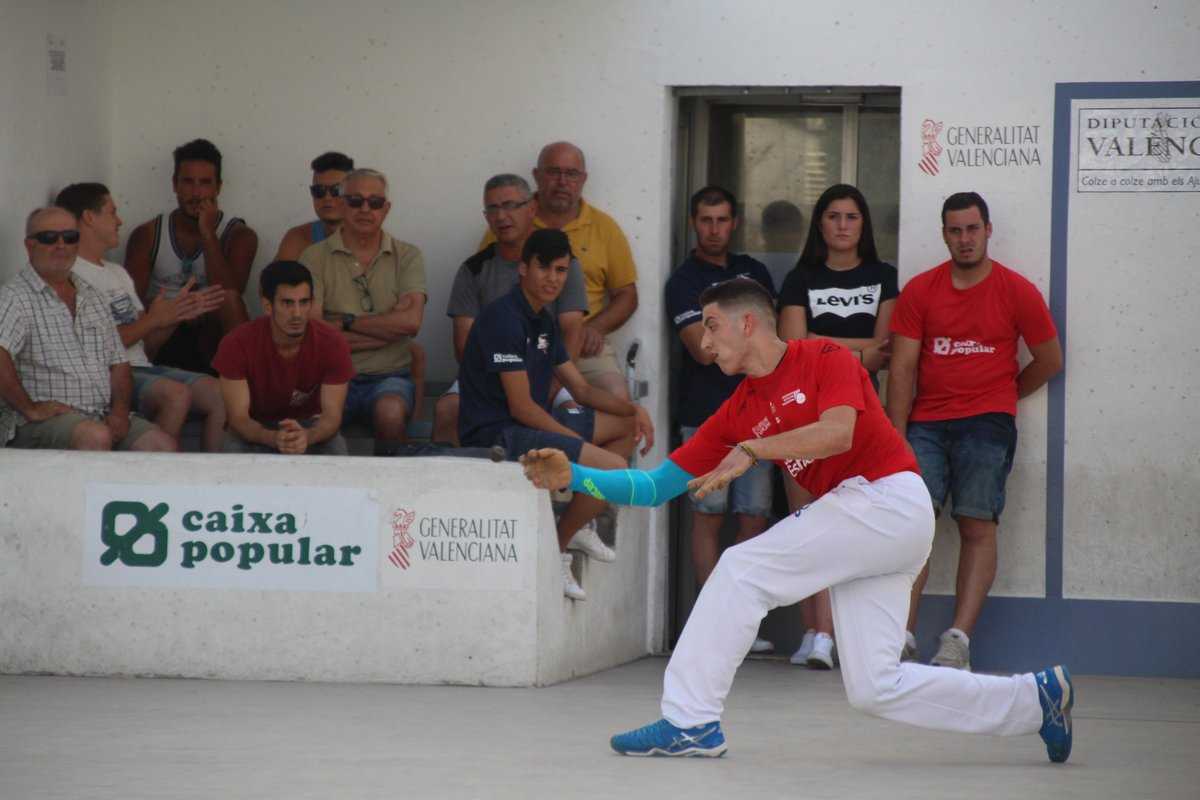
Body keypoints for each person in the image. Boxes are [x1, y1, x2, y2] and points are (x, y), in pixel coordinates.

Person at [519, 277, 1074, 764]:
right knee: (876, 687)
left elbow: (839, 432)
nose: (704, 342)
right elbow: (656, 486)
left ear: (749, 323)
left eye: (712, 327)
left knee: (741, 569)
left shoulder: (825, 357)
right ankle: (1037, 699)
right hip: (869, 530)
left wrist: (756, 449)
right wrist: (574, 474)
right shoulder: (737, 409)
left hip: (888, 500)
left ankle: (690, 723)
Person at [887, 192, 1063, 669]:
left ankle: (957, 642)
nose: (964, 239)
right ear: (944, 234)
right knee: (913, 529)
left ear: (987, 230)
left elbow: (1050, 361)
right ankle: (899, 634)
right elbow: (902, 369)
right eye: (955, 230)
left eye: (972, 229)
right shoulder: (921, 291)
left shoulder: (1017, 290)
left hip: (987, 424)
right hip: (925, 424)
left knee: (977, 524)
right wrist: (896, 436)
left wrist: (1002, 397)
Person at [458, 229, 652, 600]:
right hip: (499, 435)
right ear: (523, 269)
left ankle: (574, 527)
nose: (552, 278)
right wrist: (573, 442)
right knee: (612, 470)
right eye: (544, 268)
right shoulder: (503, 318)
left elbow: (580, 389)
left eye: (561, 270)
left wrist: (635, 409)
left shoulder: (543, 320)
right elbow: (521, 407)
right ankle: (558, 549)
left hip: (529, 425)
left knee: (626, 428)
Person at [777, 184, 899, 669]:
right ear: (820, 225)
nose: (843, 225)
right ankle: (813, 630)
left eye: (852, 216)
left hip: (857, 416)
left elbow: (886, 347)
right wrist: (859, 352)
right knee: (804, 520)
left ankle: (828, 632)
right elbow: (792, 347)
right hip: (803, 414)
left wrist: (822, 342)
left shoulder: (883, 277)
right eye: (833, 216)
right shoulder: (799, 277)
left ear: (863, 224)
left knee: (842, 523)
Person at [665, 185, 776, 655]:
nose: (714, 228)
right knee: (708, 516)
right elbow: (701, 348)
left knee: (754, 519)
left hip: (762, 418)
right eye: (706, 220)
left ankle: (744, 624)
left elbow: (772, 341)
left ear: (735, 223)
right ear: (694, 222)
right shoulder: (683, 280)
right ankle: (713, 627)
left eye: (723, 219)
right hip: (704, 415)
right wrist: (741, 337)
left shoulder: (755, 273)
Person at [56, 182, 228, 452]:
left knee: (219, 393)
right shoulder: (70, 275)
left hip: (141, 368)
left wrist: (174, 315)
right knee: (176, 395)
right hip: (106, 377)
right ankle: (154, 480)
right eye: (112, 213)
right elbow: (96, 349)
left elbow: (146, 347)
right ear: (89, 218)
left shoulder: (117, 273)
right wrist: (154, 320)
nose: (120, 220)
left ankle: (214, 483)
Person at [0, 207, 174, 452]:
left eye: (70, 237)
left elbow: (119, 363)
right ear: (30, 246)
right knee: (95, 437)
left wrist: (121, 412)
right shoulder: (15, 296)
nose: (61, 245)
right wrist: (30, 408)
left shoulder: (92, 295)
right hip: (37, 423)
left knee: (161, 445)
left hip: (98, 414)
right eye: (49, 238)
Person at [432, 174, 587, 446]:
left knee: (575, 415)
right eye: (492, 208)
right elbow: (464, 345)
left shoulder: (564, 263)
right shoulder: (474, 269)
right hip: (489, 379)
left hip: (551, 373)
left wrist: (552, 385)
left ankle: (574, 485)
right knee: (448, 410)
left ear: (531, 208)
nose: (501, 216)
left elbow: (571, 330)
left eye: (510, 206)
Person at [482, 142, 639, 399]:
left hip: (585, 345)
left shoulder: (604, 228)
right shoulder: (508, 223)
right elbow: (487, 287)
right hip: (520, 341)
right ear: (536, 175)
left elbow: (627, 295)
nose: (562, 181)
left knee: (616, 396)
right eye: (553, 172)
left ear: (584, 179)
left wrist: (595, 328)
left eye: (571, 174)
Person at [300, 168, 426, 454]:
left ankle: (391, 493)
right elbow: (314, 333)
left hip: (390, 375)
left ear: (387, 209)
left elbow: (411, 323)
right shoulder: (314, 257)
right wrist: (387, 331)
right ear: (343, 205)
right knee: (316, 422)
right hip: (331, 374)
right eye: (355, 201)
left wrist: (344, 322)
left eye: (375, 202)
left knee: (391, 413)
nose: (365, 209)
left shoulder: (408, 255)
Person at [124, 138, 258, 374]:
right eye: (188, 182)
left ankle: (242, 393)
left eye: (205, 183)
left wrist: (208, 234)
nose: (196, 193)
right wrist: (179, 310)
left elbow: (229, 294)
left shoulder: (239, 235)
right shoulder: (147, 234)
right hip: (164, 331)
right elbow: (131, 304)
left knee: (229, 300)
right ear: (175, 184)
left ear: (219, 187)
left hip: (213, 335)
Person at [213, 261, 354, 455]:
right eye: (287, 303)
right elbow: (239, 419)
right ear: (267, 306)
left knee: (338, 459)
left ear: (312, 303)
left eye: (303, 302)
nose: (297, 314)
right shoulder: (236, 344)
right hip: (255, 428)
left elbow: (331, 417)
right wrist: (272, 438)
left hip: (312, 426)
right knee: (232, 461)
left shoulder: (332, 343)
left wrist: (307, 436)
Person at [274, 151, 354, 261]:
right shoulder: (298, 239)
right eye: (319, 190)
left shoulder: (372, 241)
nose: (327, 197)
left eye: (337, 190)